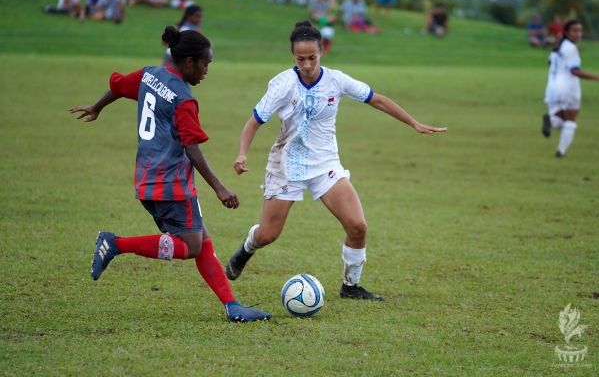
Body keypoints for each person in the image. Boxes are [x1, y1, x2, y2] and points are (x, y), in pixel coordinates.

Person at [225, 21, 447, 301]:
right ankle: (246, 249)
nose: (306, 64)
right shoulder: (283, 84)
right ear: (293, 57)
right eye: (300, 59)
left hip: (324, 163)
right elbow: (253, 122)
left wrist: (413, 123)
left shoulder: (336, 80)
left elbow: (376, 100)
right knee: (268, 234)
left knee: (358, 226)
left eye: (312, 58)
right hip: (286, 164)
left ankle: (351, 286)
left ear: (321, 53)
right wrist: (242, 153)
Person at [67, 26, 271, 323]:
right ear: (188, 62)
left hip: (147, 179)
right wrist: (220, 188)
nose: (206, 70)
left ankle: (232, 305)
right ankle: (115, 244)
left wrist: (97, 106)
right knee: (190, 246)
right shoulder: (183, 99)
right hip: (172, 184)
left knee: (201, 239)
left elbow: (121, 86)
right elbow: (192, 148)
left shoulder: (151, 74)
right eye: (205, 64)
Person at [542, 19, 599, 158]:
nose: (578, 34)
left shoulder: (558, 48)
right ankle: (560, 152)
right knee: (571, 121)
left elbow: (550, 64)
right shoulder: (571, 48)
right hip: (569, 87)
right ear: (567, 32)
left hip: (552, 87)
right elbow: (574, 71)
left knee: (560, 120)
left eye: (580, 30)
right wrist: (596, 77)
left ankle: (550, 119)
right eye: (575, 30)